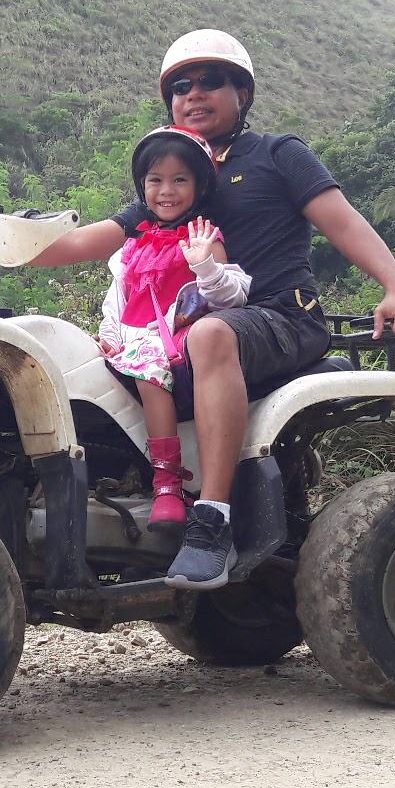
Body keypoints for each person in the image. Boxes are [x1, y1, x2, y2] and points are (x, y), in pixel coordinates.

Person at [27, 29, 395, 589]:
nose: (194, 94)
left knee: (211, 333)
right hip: (187, 337)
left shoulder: (277, 154)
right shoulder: (175, 177)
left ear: (242, 92)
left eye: (211, 81)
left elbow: (342, 221)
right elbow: (85, 241)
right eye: (181, 86)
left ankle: (211, 520)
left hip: (281, 316)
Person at [94, 125, 250, 531]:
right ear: (142, 187)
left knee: (148, 367)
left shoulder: (202, 237)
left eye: (179, 180)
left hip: (180, 338)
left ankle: (167, 481)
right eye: (155, 180)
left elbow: (232, 297)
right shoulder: (135, 242)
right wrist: (110, 336)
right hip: (135, 336)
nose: (166, 190)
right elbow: (119, 298)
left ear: (198, 187)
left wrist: (204, 265)